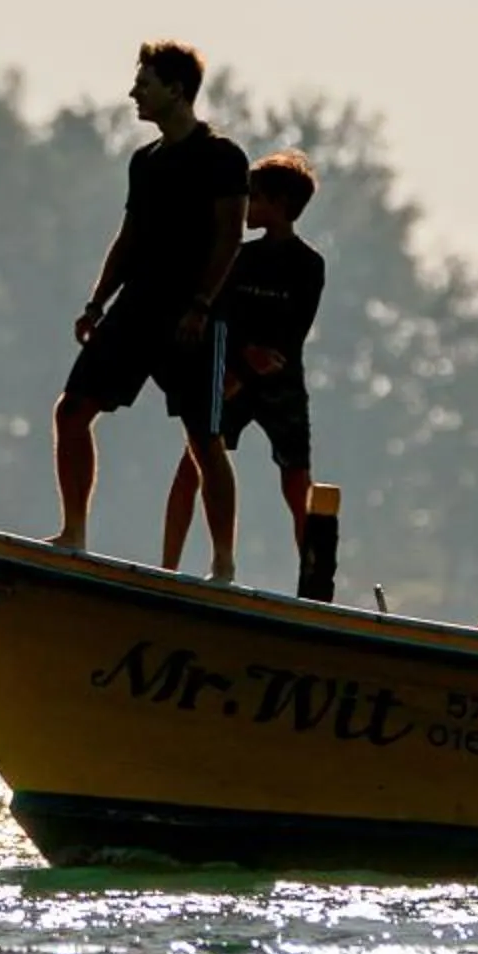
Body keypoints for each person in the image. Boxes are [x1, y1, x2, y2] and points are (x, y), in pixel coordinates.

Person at [50, 42, 250, 566]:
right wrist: (96, 303)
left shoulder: (222, 157)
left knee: (204, 439)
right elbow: (130, 238)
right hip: (138, 306)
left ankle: (223, 564)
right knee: (72, 411)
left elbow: (230, 236)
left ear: (176, 89)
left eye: (144, 84)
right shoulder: (145, 162)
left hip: (196, 316)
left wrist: (201, 305)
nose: (133, 93)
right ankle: (73, 533)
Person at [161, 150, 324, 575]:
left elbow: (294, 332)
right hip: (229, 376)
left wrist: (256, 364)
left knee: (297, 482)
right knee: (194, 463)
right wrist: (235, 367)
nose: (245, 206)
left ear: (280, 205)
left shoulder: (309, 265)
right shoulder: (240, 257)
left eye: (254, 198)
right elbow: (221, 315)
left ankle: (313, 583)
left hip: (280, 383)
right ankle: (168, 568)